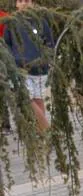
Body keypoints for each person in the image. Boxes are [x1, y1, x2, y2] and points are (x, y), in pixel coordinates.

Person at [5, 0, 51, 131]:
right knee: (26, 98)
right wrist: (12, 62)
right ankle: (48, 131)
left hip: (40, 68)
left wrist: (45, 59)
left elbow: (49, 43)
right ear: (16, 4)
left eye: (27, 0)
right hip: (20, 69)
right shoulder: (11, 23)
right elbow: (7, 45)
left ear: (32, 2)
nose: (24, 3)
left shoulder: (41, 21)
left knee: (38, 99)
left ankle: (41, 133)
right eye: (20, 1)